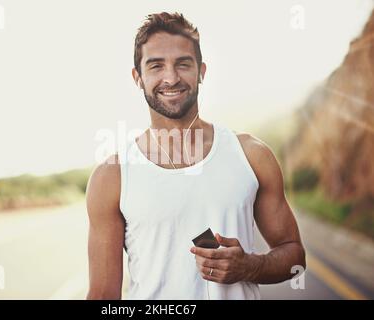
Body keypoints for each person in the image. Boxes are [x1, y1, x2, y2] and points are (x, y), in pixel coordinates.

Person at [86, 12, 306, 300]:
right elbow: (103, 297)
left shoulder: (250, 155)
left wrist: (250, 266)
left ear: (201, 71)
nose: (171, 77)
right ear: (137, 77)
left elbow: (295, 256)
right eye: (156, 66)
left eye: (183, 64)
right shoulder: (112, 176)